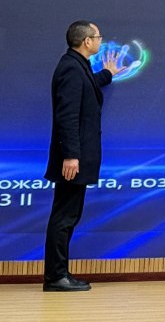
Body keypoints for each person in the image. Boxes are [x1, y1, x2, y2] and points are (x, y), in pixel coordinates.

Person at [43, 21, 123, 292]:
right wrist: (71, 156)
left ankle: (59, 273)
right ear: (87, 41)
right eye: (98, 36)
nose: (101, 40)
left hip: (76, 157)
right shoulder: (70, 68)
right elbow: (66, 115)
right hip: (72, 160)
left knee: (69, 216)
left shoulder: (78, 65)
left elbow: (87, 89)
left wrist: (107, 74)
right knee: (64, 217)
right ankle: (55, 277)